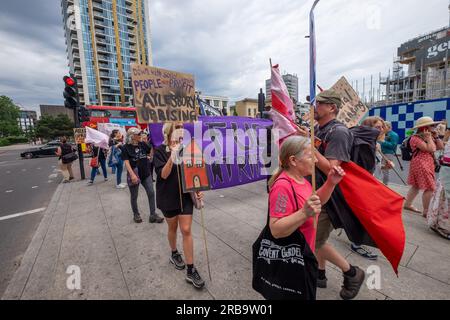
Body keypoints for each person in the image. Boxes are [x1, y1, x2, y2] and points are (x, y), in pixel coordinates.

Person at [268, 136, 346, 296]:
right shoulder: (283, 186)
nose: (316, 161)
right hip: (292, 259)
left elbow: (316, 201)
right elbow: (275, 229)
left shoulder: (303, 180)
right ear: (293, 160)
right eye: (311, 156)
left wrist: (331, 182)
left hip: (306, 253)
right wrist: (304, 213)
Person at [312, 90, 365, 300]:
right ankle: (320, 273)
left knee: (314, 239)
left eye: (319, 104)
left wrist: (309, 147)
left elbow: (331, 170)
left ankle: (352, 272)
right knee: (317, 235)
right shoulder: (319, 128)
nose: (314, 108)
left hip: (331, 196)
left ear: (331, 108)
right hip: (317, 191)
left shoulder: (339, 132)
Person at [154, 123, 205, 289]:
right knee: (173, 228)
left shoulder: (188, 150)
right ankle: (174, 252)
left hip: (185, 196)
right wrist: (172, 156)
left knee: (186, 230)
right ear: (169, 134)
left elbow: (195, 173)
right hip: (167, 197)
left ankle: (191, 270)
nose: (181, 135)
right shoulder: (159, 151)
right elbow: (163, 174)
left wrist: (198, 189)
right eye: (178, 131)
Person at [121, 127, 164, 224]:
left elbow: (151, 150)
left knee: (151, 193)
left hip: (145, 173)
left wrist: (153, 142)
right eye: (138, 134)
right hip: (134, 174)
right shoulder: (125, 147)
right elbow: (126, 162)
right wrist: (132, 175)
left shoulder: (142, 144)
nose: (140, 135)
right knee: (134, 196)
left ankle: (153, 215)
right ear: (132, 136)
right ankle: (136, 214)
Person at [404, 117, 444, 217]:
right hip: (421, 163)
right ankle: (426, 211)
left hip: (425, 163)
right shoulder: (415, 138)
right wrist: (429, 138)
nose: (434, 127)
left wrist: (437, 137)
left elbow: (440, 147)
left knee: (416, 185)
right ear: (424, 127)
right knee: (430, 188)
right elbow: (430, 149)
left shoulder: (428, 136)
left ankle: (407, 204)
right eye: (432, 125)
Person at [427, 140, 450, 240]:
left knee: (443, 199)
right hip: (447, 173)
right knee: (445, 200)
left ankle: (439, 224)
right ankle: (443, 226)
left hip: (446, 172)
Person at [378, 121, 399, 186]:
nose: (382, 128)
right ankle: (380, 183)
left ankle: (385, 184)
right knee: (380, 168)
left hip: (388, 154)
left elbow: (393, 146)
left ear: (388, 127)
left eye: (384, 126)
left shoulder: (393, 135)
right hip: (381, 153)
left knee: (385, 170)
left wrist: (382, 142)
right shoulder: (384, 134)